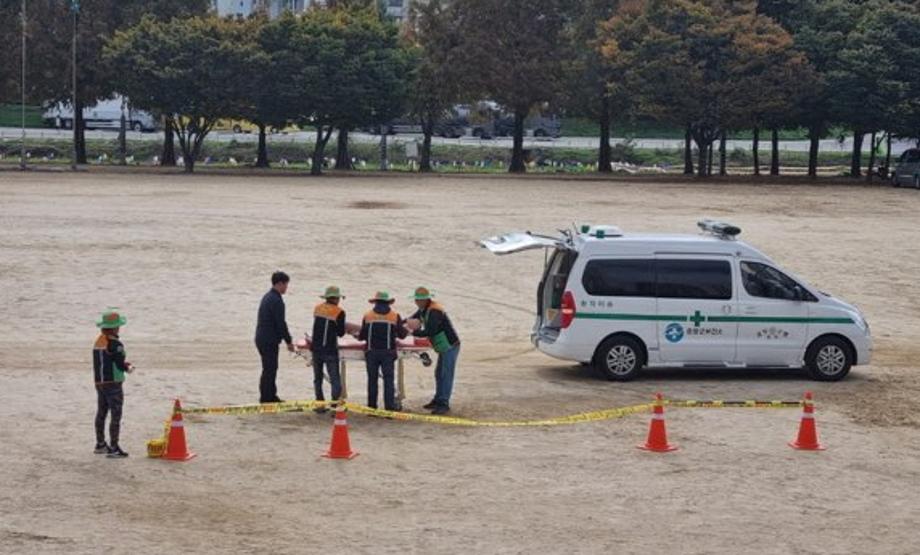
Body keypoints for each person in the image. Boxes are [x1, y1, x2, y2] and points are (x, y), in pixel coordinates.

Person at [407, 287, 460, 415]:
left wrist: (412, 332)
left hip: (450, 345)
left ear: (426, 299)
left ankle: (443, 403)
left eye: (419, 300)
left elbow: (431, 331)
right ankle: (438, 399)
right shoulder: (424, 309)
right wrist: (399, 324)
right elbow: (410, 319)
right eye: (416, 299)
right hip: (443, 346)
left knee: (445, 374)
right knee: (439, 373)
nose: (417, 302)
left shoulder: (434, 311)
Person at [93, 308, 134, 458]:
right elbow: (119, 363)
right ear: (115, 328)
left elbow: (107, 361)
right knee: (116, 415)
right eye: (118, 326)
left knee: (101, 413)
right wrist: (128, 367)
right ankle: (114, 447)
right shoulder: (116, 344)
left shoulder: (98, 342)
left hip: (99, 382)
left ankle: (100, 444)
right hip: (113, 383)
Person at [359, 291, 407, 411]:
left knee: (372, 381)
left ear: (375, 302)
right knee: (388, 381)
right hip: (388, 353)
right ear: (388, 303)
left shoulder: (368, 315)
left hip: (371, 353)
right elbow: (402, 335)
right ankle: (389, 408)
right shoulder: (394, 316)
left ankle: (371, 408)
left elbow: (362, 336)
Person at [255, 271, 294, 403]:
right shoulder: (276, 300)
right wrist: (289, 341)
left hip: (262, 338)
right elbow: (281, 323)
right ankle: (267, 398)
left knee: (269, 368)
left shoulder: (268, 297)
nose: (286, 288)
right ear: (279, 283)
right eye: (286, 285)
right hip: (268, 339)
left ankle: (270, 395)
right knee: (270, 368)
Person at [311, 286, 347, 413]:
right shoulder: (339, 312)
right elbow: (341, 333)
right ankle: (334, 405)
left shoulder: (317, 309)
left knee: (318, 377)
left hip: (316, 348)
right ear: (336, 298)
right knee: (335, 378)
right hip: (330, 349)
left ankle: (319, 404)